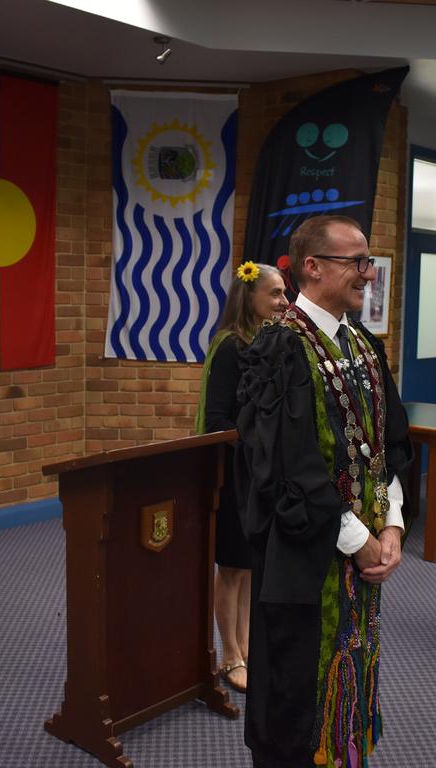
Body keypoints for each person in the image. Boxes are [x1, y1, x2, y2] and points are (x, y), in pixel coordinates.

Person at [235, 215, 412, 768]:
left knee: (354, 679)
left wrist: (392, 523)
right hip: (305, 559)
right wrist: (358, 539)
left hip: (364, 552)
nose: (367, 274)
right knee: (296, 695)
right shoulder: (279, 349)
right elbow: (288, 468)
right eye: (355, 262)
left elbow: (390, 443)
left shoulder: (363, 344)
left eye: (368, 261)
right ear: (312, 267)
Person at [196, 261, 289, 694]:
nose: (284, 302)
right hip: (234, 474)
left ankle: (248, 644)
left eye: (284, 294)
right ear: (248, 297)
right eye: (275, 294)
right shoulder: (230, 347)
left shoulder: (267, 343)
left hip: (261, 475)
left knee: (252, 566)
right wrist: (259, 445)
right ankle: (229, 652)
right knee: (232, 568)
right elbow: (219, 420)